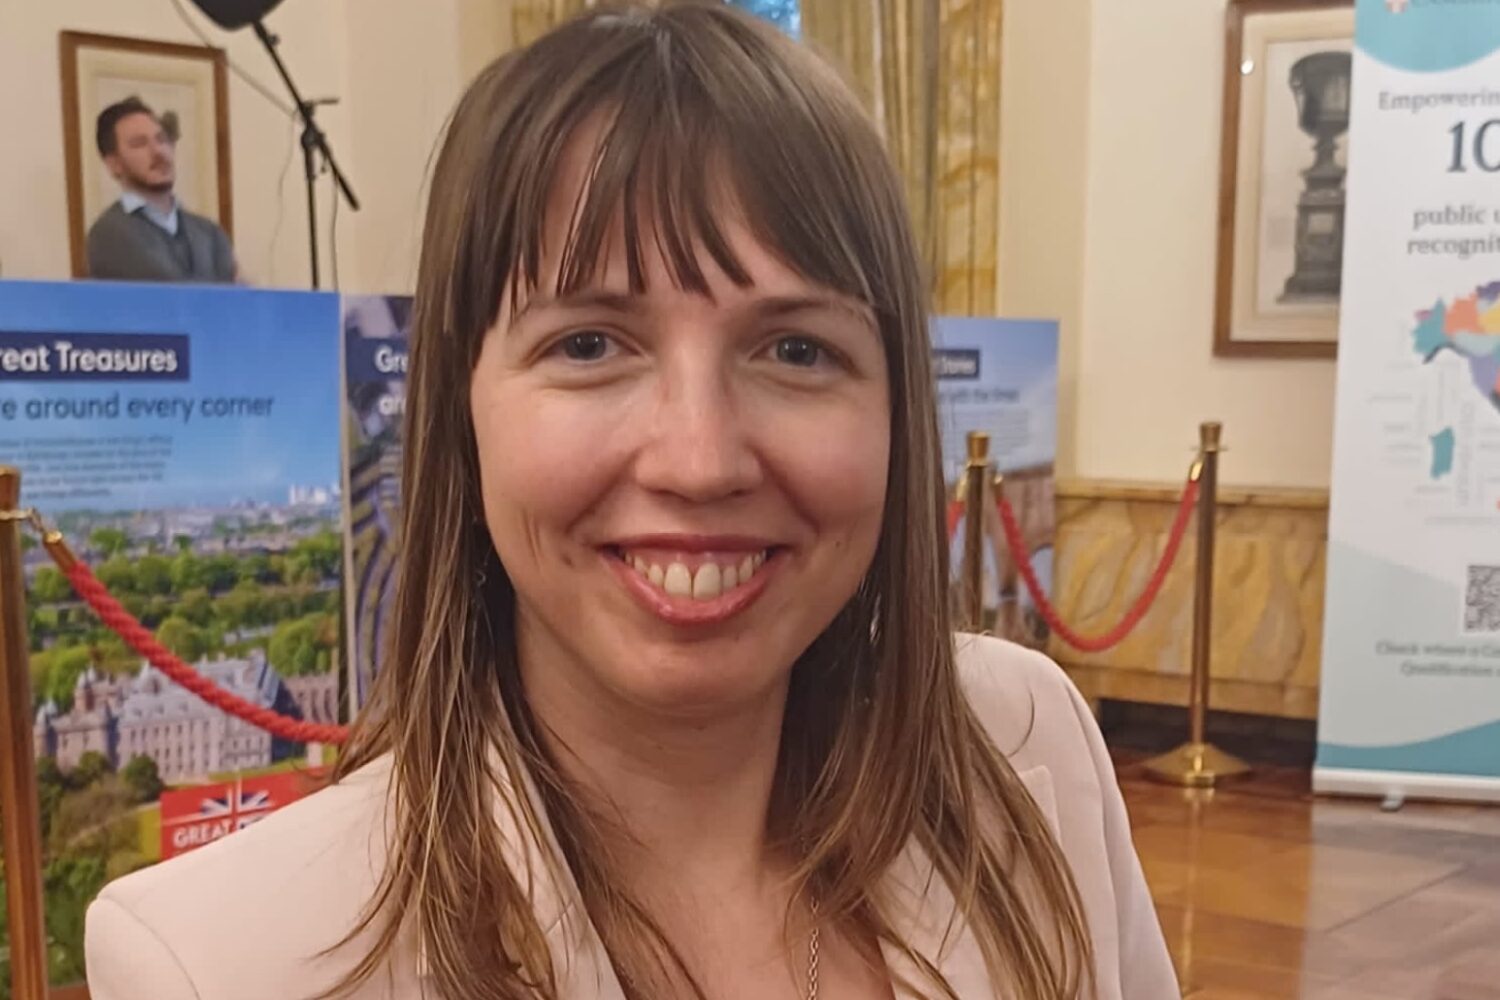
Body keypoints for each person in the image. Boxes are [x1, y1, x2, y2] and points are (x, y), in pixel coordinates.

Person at [83, 5, 1177, 998]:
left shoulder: (1033, 741)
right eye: (590, 344)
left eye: (796, 349)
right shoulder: (222, 963)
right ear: (460, 405)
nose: (700, 461)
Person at [85, 96, 237, 283]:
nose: (158, 151)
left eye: (162, 139)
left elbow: (234, 294)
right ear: (114, 164)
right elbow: (167, 290)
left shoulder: (210, 232)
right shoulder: (108, 233)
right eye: (139, 144)